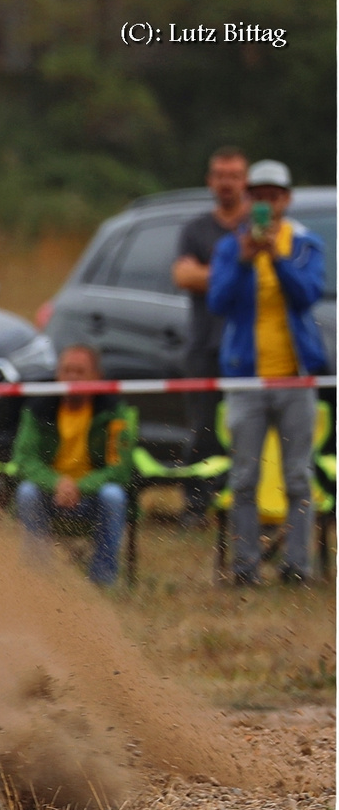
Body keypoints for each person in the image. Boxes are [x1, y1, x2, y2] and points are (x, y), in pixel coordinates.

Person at [207, 158, 329, 585]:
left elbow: (307, 294)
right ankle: (244, 567)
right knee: (244, 478)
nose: (265, 204)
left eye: (272, 197)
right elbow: (218, 303)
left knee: (298, 476)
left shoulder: (305, 242)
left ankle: (296, 567)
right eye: (257, 197)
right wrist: (243, 261)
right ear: (249, 199)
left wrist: (275, 258)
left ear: (286, 199)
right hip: (247, 379)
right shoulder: (230, 246)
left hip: (295, 378)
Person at [9, 344, 135, 587]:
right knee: (26, 492)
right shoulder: (37, 409)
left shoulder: (114, 411)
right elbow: (24, 459)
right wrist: (57, 483)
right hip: (51, 494)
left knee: (114, 496)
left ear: (97, 378)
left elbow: (120, 468)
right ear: (57, 374)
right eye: (67, 370)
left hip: (93, 497)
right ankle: (38, 578)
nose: (72, 377)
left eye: (80, 371)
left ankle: (102, 581)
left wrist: (79, 486)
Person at [172, 145, 249, 525]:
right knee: (203, 430)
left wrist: (209, 275)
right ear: (210, 180)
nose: (227, 183)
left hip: (250, 348)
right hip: (204, 346)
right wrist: (236, 274)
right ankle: (197, 506)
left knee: (247, 426)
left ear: (245, 180)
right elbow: (182, 275)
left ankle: (245, 502)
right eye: (220, 175)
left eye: (234, 175)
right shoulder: (196, 229)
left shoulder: (260, 225)